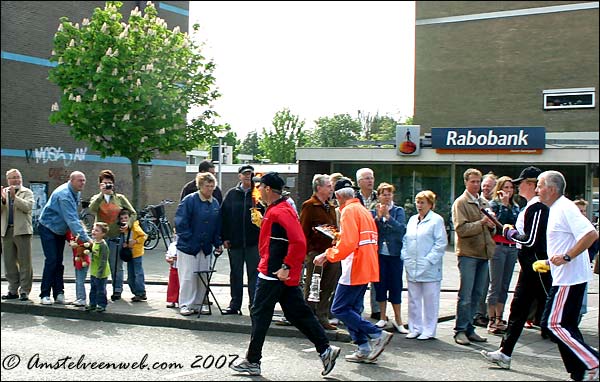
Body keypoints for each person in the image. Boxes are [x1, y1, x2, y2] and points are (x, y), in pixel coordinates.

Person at [230, 172, 340, 377]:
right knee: (297, 313)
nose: (258, 191)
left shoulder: (280, 211)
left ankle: (253, 360)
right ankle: (325, 349)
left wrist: (287, 266)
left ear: (268, 189)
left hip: (274, 272)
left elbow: (299, 241)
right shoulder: (277, 209)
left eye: (260, 187)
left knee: (260, 314)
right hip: (277, 271)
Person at [314, 177, 393, 364]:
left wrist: (328, 254)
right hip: (366, 265)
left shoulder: (348, 211)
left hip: (354, 266)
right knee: (352, 310)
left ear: (340, 196)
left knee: (339, 308)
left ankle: (376, 334)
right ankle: (363, 347)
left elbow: (349, 244)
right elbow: (360, 238)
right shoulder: (363, 210)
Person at [481, 166, 552, 369]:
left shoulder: (537, 207)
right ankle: (505, 352)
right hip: (529, 265)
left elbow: (531, 240)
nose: (518, 186)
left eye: (520, 183)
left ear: (530, 184)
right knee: (518, 309)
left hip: (537, 266)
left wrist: (510, 233)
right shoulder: (530, 206)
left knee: (556, 318)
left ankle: (587, 360)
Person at [536, 171, 599, 381]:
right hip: (567, 276)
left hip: (568, 279)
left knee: (552, 324)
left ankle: (593, 362)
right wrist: (550, 261)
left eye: (539, 185)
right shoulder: (557, 208)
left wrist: (567, 257)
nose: (537, 190)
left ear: (552, 189)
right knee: (568, 326)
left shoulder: (565, 207)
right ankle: (578, 371)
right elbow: (566, 241)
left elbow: (591, 234)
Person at [451, 168, 496, 346]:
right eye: (473, 182)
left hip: (484, 254)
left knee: (478, 294)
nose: (476, 185)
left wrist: (492, 226)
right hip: (468, 253)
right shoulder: (461, 203)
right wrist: (482, 223)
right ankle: (460, 330)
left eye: (478, 182)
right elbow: (461, 229)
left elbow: (490, 229)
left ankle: (470, 328)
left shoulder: (484, 202)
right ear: (466, 182)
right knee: (466, 294)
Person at [38, 171, 91, 305]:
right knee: (52, 260)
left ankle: (58, 293)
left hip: (60, 229)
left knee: (59, 261)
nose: (82, 183)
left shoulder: (76, 192)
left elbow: (73, 217)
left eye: (84, 180)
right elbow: (72, 220)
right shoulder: (65, 195)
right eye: (80, 180)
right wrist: (87, 240)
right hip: (48, 228)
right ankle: (44, 294)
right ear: (71, 180)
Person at [174, 172, 223, 316]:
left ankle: (198, 303)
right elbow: (181, 222)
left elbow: (216, 225)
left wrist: (217, 242)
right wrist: (190, 239)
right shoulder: (189, 200)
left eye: (212, 186)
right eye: (207, 186)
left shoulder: (214, 202)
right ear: (200, 186)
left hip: (206, 247)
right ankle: (185, 304)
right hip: (189, 247)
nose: (210, 189)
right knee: (188, 276)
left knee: (203, 277)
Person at [402, 190, 448, 340]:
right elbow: (406, 240)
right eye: (417, 202)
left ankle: (429, 330)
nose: (419, 205)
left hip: (429, 268)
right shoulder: (412, 219)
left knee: (430, 300)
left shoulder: (436, 220)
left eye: (422, 202)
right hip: (412, 265)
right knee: (413, 299)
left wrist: (429, 260)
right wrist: (405, 256)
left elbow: (440, 243)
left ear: (430, 204)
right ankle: (415, 327)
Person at [299, 174, 340, 330]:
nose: (331, 189)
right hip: (316, 253)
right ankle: (308, 318)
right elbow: (302, 230)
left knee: (328, 285)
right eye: (328, 186)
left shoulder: (330, 207)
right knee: (312, 286)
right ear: (319, 188)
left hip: (330, 252)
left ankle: (322, 316)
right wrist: (306, 252)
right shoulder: (309, 205)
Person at [88, 169, 136, 301]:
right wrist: (101, 195)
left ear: (113, 184)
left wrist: (128, 224)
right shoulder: (96, 198)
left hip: (116, 237)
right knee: (99, 264)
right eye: (104, 183)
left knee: (116, 266)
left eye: (109, 183)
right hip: (100, 238)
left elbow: (133, 213)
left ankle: (117, 290)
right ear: (100, 185)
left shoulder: (120, 198)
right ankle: (99, 290)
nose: (108, 185)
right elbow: (91, 209)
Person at [220, 165, 261, 315]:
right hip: (235, 243)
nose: (247, 177)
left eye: (250, 174)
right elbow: (224, 217)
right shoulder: (231, 194)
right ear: (239, 176)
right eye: (245, 174)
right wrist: (224, 237)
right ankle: (234, 304)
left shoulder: (258, 195)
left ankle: (254, 305)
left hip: (253, 243)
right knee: (235, 274)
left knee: (254, 275)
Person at [371, 182, 408, 334]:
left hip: (395, 254)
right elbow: (371, 230)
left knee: (395, 286)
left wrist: (388, 217)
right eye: (383, 194)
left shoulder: (398, 210)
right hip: (379, 254)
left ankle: (399, 319)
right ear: (378, 196)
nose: (386, 197)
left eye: (389, 194)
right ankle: (382, 316)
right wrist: (378, 218)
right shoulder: (374, 211)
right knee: (380, 285)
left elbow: (401, 229)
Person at [486, 176, 520, 335]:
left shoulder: (516, 207)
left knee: (505, 285)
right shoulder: (494, 205)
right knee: (495, 284)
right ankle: (491, 318)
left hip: (512, 247)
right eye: (505, 188)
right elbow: (499, 224)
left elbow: (516, 224)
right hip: (498, 246)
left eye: (510, 188)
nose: (508, 191)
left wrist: (509, 205)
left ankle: (500, 317)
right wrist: (504, 204)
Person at [1, 169, 34, 301]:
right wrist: (3, 200)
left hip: (22, 231)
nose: (15, 180)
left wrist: (15, 198)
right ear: (7, 180)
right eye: (12, 178)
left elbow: (28, 207)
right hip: (6, 231)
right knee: (9, 262)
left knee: (24, 262)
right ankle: (12, 290)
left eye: (17, 177)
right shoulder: (4, 193)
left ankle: (24, 290)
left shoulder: (27, 192)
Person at [355, 167, 380, 320]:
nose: (370, 181)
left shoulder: (379, 197)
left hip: (375, 242)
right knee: (360, 278)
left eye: (371, 178)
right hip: (358, 243)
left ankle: (376, 309)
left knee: (375, 276)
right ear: (359, 182)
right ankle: (359, 309)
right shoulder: (355, 198)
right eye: (367, 178)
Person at [473, 172, 497, 328]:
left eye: (489, 186)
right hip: (475, 249)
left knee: (491, 283)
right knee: (479, 284)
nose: (486, 188)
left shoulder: (496, 204)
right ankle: (478, 314)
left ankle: (490, 314)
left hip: (491, 248)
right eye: (484, 186)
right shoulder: (476, 203)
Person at [118, 209, 147, 302]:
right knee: (130, 274)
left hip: (136, 253)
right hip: (129, 254)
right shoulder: (122, 228)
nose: (124, 220)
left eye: (126, 218)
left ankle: (141, 292)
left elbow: (143, 236)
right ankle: (136, 292)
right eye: (121, 218)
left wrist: (135, 241)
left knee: (137, 273)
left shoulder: (134, 226)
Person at [86, 222, 110, 313]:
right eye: (93, 229)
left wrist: (99, 273)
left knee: (101, 290)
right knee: (93, 289)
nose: (93, 231)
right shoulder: (94, 243)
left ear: (103, 234)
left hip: (101, 272)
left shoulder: (103, 245)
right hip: (93, 271)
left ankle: (102, 304)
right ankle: (92, 304)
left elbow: (103, 260)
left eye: (96, 230)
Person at [66, 229, 90, 307]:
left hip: (82, 262)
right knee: (78, 280)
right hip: (78, 261)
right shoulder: (75, 237)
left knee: (80, 281)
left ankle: (82, 298)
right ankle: (79, 298)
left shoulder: (81, 238)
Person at [165, 232, 179, 309]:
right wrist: (168, 259)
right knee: (172, 285)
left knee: (182, 284)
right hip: (173, 267)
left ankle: (181, 300)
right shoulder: (172, 245)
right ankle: (172, 300)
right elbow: (168, 254)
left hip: (182, 267)